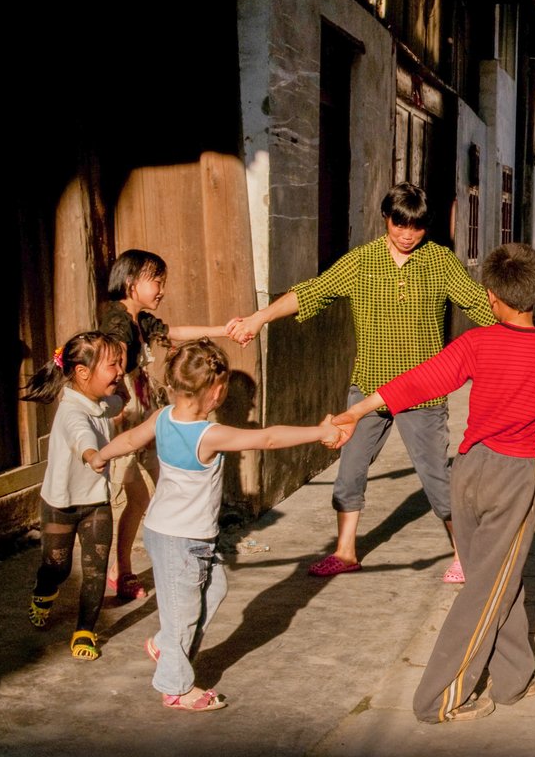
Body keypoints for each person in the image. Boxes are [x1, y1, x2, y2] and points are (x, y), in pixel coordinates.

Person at [332, 243, 535, 723]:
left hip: (468, 471)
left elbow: (417, 382)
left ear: (493, 298)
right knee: (485, 589)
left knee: (498, 578)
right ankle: (439, 697)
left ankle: (516, 677)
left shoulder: (477, 343)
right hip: (511, 477)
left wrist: (355, 410)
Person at [227, 183, 495, 582]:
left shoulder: (440, 262)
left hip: (422, 392)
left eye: (416, 227)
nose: (407, 234)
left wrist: (519, 339)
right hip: (368, 386)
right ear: (386, 218)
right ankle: (346, 551)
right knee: (349, 470)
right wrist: (259, 317)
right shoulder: (362, 261)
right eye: (399, 223)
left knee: (436, 474)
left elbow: (476, 302)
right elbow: (312, 293)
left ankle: (464, 556)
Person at [89, 338, 342, 712]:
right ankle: (174, 686)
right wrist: (319, 433)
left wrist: (100, 457)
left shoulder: (162, 418)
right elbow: (268, 438)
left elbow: (127, 439)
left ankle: (162, 644)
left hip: (178, 535)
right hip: (181, 539)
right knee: (183, 614)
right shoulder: (209, 435)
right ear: (217, 390)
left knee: (213, 588)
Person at [98, 248, 241, 600]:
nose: (162, 289)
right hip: (126, 413)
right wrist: (116, 401)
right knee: (128, 492)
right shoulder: (117, 323)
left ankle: (123, 568)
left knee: (143, 493)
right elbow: (111, 358)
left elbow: (172, 332)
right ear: (131, 284)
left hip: (142, 408)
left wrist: (221, 330)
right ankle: (118, 570)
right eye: (156, 281)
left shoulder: (139, 319)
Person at [20, 331, 126, 661]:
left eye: (120, 363)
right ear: (82, 373)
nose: (120, 371)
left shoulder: (102, 402)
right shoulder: (71, 412)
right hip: (60, 505)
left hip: (96, 502)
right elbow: (84, 439)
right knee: (58, 566)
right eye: (112, 365)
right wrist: (94, 456)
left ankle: (84, 631)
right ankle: (44, 591)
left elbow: (119, 404)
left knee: (95, 571)